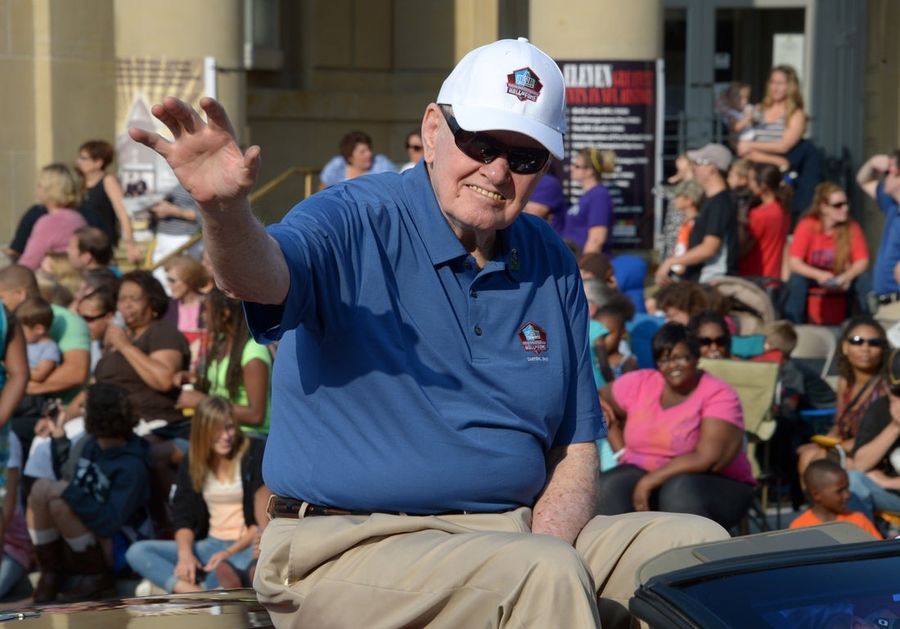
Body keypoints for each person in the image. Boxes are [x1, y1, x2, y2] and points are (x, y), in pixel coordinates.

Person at [131, 38, 729, 629]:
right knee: (540, 575)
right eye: (482, 143)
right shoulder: (354, 216)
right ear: (434, 129)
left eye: (525, 158)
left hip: (509, 534)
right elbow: (261, 277)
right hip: (346, 544)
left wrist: (546, 543)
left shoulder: (548, 257)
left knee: (691, 552)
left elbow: (574, 444)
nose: (497, 171)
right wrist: (223, 212)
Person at [597, 323, 755, 529]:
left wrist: (650, 481)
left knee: (678, 491)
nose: (673, 366)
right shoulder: (642, 383)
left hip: (714, 484)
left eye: (681, 358)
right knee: (607, 487)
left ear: (696, 357)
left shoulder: (719, 394)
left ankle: (689, 550)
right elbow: (598, 397)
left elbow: (708, 459)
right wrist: (620, 451)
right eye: (664, 360)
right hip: (648, 475)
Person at [126, 396, 265, 593]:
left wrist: (227, 553)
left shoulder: (253, 451)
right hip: (210, 545)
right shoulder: (193, 461)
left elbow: (260, 519)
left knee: (235, 567)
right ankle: (194, 593)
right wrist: (186, 556)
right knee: (137, 552)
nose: (225, 436)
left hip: (245, 545)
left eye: (229, 428)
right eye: (217, 430)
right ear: (203, 431)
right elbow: (183, 516)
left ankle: (199, 589)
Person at [26, 383, 151, 602]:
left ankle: (97, 579)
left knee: (59, 503)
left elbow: (109, 523)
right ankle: (50, 572)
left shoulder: (132, 465)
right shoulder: (90, 443)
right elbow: (67, 476)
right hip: (86, 535)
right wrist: (59, 434)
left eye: (86, 407)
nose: (81, 411)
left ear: (101, 414)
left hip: (119, 546)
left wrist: (69, 492)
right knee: (40, 489)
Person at [797, 317, 888, 475]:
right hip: (848, 446)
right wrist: (823, 443)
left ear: (882, 350)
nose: (865, 348)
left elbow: (878, 437)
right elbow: (839, 426)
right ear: (845, 347)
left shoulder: (885, 387)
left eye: (874, 343)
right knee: (807, 455)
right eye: (857, 341)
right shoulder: (845, 383)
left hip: (874, 453)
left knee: (819, 459)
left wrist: (833, 448)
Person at [176, 289, 271, 436]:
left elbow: (256, 415)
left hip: (248, 435)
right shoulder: (221, 343)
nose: (203, 316)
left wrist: (203, 402)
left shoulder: (253, 351)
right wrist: (191, 378)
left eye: (207, 310)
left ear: (225, 314)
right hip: (219, 429)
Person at [737, 65, 822, 218]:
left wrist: (753, 148)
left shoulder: (795, 114)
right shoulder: (759, 109)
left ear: (790, 86)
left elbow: (784, 146)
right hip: (754, 171)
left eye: (780, 83)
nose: (775, 88)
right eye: (772, 82)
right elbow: (742, 134)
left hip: (777, 175)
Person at [782, 183, 871, 323]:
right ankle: (794, 325)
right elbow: (795, 263)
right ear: (824, 208)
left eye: (846, 203)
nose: (845, 209)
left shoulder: (852, 227)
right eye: (838, 205)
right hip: (814, 277)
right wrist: (819, 275)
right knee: (796, 281)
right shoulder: (807, 225)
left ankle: (867, 322)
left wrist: (847, 276)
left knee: (864, 280)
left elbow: (862, 261)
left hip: (841, 277)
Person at [655, 144, 737, 284]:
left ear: (712, 168)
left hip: (713, 281)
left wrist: (671, 262)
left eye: (698, 163)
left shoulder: (720, 203)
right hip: (701, 280)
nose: (693, 167)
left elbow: (709, 249)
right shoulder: (711, 200)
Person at [847, 349, 900, 521]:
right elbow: (860, 465)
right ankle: (866, 536)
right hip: (894, 498)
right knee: (854, 480)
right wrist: (895, 426)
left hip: (891, 485)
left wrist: (888, 482)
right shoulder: (881, 408)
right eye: (898, 392)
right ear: (887, 386)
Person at [76, 140, 140, 262]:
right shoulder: (82, 183)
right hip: (83, 241)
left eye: (84, 158)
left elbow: (123, 213)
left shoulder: (108, 181)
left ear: (98, 162)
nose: (79, 161)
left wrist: (130, 244)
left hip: (102, 243)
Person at [18, 164, 88, 271]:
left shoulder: (50, 222)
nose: (37, 189)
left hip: (56, 278)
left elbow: (28, 264)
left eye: (40, 185)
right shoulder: (78, 217)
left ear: (49, 190)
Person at [789, 459, 882, 539]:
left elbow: (878, 550)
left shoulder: (858, 521)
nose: (847, 495)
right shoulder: (799, 528)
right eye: (840, 491)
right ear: (816, 495)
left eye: (847, 488)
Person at [857, 150, 900, 316]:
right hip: (885, 305)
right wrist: (872, 162)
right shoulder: (892, 206)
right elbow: (863, 180)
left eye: (886, 173)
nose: (884, 179)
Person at [739, 162, 791, 280]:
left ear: (763, 185)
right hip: (773, 276)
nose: (748, 184)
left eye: (751, 180)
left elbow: (744, 249)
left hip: (753, 274)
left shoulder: (759, 214)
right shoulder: (783, 210)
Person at [148, 184, 203, 291]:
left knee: (181, 286)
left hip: (185, 241)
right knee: (161, 286)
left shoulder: (200, 180)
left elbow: (208, 216)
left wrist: (174, 211)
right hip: (162, 239)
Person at [14, 297, 60, 419]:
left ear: (38, 329)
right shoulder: (23, 343)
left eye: (21, 329)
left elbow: (40, 374)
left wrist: (14, 369)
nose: (17, 333)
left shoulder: (49, 347)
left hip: (31, 399)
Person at [562, 148, 616, 255]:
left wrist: (583, 264)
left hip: (585, 262)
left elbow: (596, 240)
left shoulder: (599, 196)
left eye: (577, 166)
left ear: (590, 171)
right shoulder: (589, 195)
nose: (571, 168)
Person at [162, 255, 209, 368]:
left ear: (189, 280)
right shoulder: (166, 307)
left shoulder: (210, 306)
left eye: (172, 281)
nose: (169, 285)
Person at [318, 130, 397, 189]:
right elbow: (322, 191)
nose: (369, 154)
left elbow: (395, 186)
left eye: (369, 149)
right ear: (350, 156)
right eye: (362, 152)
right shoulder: (337, 165)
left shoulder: (381, 163)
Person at [660, 180, 704, 280]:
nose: (674, 200)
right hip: (678, 274)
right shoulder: (685, 222)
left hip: (690, 277)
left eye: (678, 196)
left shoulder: (698, 223)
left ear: (689, 200)